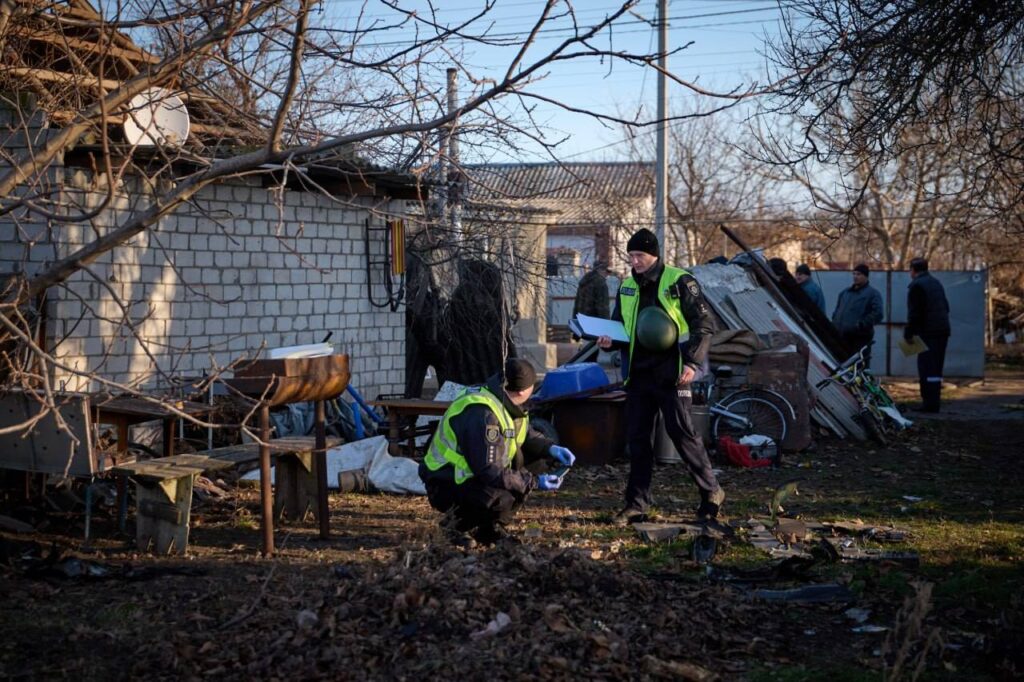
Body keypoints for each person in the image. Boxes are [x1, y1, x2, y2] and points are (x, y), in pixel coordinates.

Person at [596, 228, 724, 525]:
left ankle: (711, 493)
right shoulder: (627, 286)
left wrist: (692, 362)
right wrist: (610, 340)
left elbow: (705, 324)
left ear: (654, 254)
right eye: (631, 255)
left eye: (639, 255)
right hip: (638, 374)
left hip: (673, 372)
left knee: (682, 434)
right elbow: (622, 327)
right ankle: (636, 504)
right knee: (637, 439)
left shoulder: (679, 281)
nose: (634, 261)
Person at [418, 357, 576, 547]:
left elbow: (523, 433)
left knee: (539, 462)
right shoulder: (484, 414)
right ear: (522, 391)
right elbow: (488, 470)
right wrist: (533, 482)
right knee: (504, 493)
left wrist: (550, 447)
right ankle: (455, 526)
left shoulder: (504, 398)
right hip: (445, 480)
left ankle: (490, 528)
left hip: (466, 475)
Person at [905, 258, 951, 412]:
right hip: (942, 331)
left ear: (913, 270)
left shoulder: (917, 286)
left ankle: (928, 404)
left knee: (925, 367)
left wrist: (909, 333)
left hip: (928, 332)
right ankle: (934, 402)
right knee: (936, 369)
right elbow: (946, 307)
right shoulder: (936, 283)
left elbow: (915, 313)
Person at [831, 263, 884, 365]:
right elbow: (837, 310)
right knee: (842, 365)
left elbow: (878, 314)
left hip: (860, 339)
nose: (855, 277)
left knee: (859, 365)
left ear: (866, 276)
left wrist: (861, 325)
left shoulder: (872, 294)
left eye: (859, 274)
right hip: (842, 337)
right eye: (854, 274)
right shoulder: (845, 293)